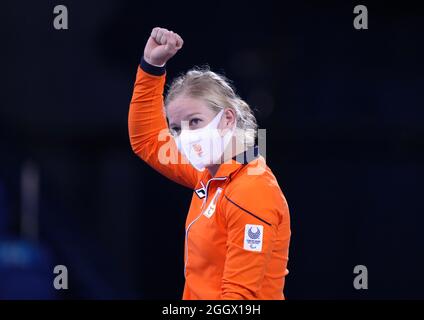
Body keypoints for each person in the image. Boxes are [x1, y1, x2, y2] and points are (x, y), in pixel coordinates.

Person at [128, 27, 291, 299]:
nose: (186, 136)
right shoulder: (210, 176)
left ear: (227, 119)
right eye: (177, 128)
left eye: (195, 121)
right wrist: (152, 66)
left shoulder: (251, 191)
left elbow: (238, 300)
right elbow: (147, 141)